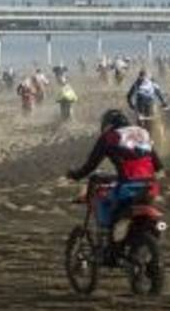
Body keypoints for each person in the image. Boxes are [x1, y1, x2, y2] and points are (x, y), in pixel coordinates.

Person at [66, 109, 163, 261]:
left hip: (127, 187)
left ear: (107, 125)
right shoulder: (142, 134)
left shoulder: (109, 137)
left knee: (103, 203)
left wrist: (75, 175)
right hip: (150, 187)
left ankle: (110, 249)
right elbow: (157, 165)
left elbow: (91, 165)